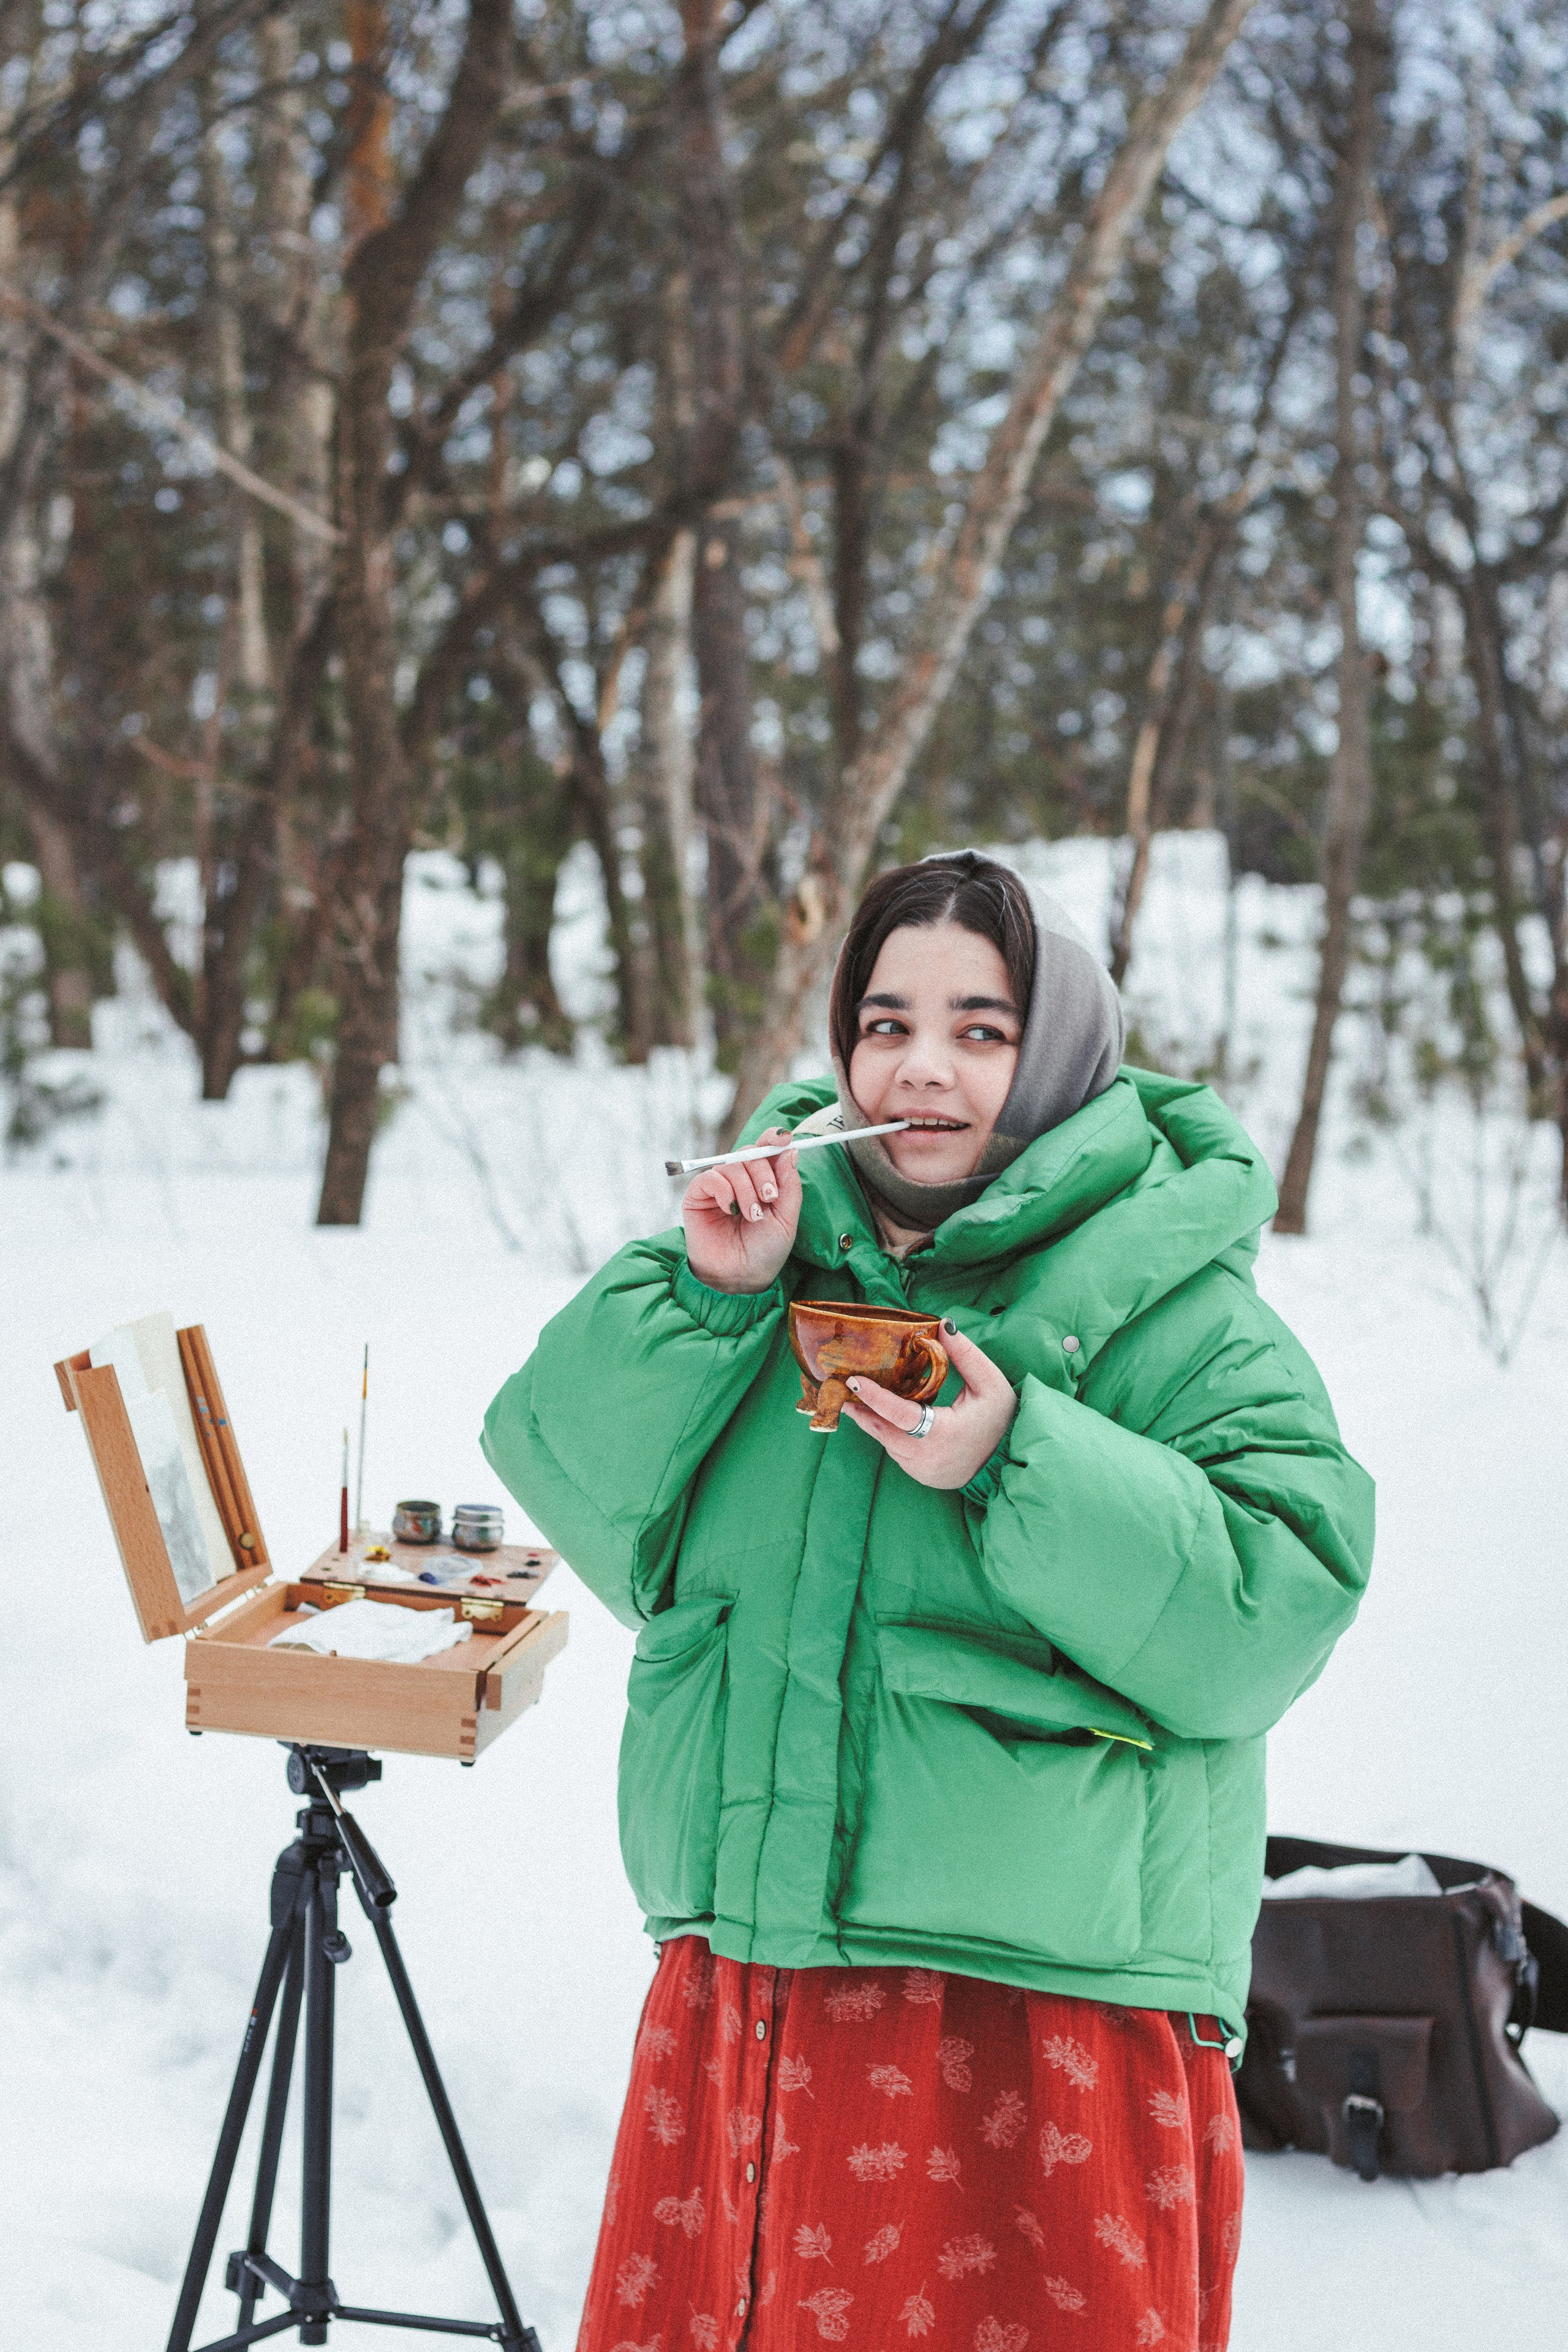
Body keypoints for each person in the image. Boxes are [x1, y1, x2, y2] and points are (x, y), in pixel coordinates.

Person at [483, 851, 1374, 2352]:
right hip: (758, 1972)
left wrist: (1016, 1455)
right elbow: (578, 1487)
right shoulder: (775, 1256)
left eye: (981, 1026)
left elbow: (1269, 1611)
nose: (921, 1067)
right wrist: (709, 1300)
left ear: (1065, 1052)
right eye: (884, 1022)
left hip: (1037, 2024)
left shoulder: (1180, 1306)